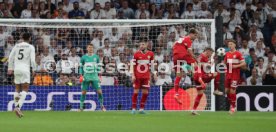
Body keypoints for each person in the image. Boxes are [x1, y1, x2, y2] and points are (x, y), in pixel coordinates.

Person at [8, 33, 36, 118]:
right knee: (25, 89)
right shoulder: (31, 47)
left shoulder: (17, 46)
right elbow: (32, 59)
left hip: (17, 69)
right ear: (30, 38)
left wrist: (10, 68)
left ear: (22, 37)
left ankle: (17, 107)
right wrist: (34, 69)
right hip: (25, 69)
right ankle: (18, 107)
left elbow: (10, 57)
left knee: (17, 89)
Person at [191, 47, 221, 115]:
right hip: (201, 76)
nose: (210, 55)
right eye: (210, 53)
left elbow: (205, 66)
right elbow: (197, 65)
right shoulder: (202, 56)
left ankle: (193, 110)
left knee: (200, 94)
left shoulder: (204, 57)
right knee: (217, 74)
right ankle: (216, 90)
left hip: (199, 77)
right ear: (207, 51)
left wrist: (211, 62)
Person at [172, 28, 198, 104]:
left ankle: (176, 93)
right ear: (191, 34)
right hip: (182, 55)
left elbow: (174, 45)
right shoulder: (188, 39)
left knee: (179, 75)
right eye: (195, 35)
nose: (195, 37)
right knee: (196, 66)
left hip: (175, 56)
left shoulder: (181, 38)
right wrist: (196, 59)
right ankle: (200, 81)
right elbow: (190, 52)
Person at [79, 44, 106, 111]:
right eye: (89, 47)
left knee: (100, 92)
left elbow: (98, 67)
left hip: (95, 77)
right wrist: (81, 75)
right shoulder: (83, 57)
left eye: (91, 47)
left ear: (93, 49)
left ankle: (102, 106)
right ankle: (81, 107)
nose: (90, 49)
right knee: (83, 92)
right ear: (87, 48)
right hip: (86, 77)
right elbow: (81, 67)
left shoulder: (96, 57)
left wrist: (99, 76)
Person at [131, 37, 154, 114]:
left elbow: (152, 66)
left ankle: (141, 109)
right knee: (136, 92)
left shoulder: (151, 54)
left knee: (145, 93)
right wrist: (133, 75)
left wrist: (154, 74)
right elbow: (133, 65)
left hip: (146, 77)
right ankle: (133, 109)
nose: (141, 46)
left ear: (146, 45)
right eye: (140, 44)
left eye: (143, 44)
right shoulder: (136, 54)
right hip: (137, 76)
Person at [224, 39, 246, 115]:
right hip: (228, 74)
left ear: (235, 45)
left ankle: (233, 107)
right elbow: (225, 64)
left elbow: (243, 63)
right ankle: (233, 105)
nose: (229, 46)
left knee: (232, 91)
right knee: (227, 91)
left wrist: (236, 65)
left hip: (235, 75)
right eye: (228, 44)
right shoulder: (227, 54)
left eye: (231, 44)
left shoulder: (238, 54)